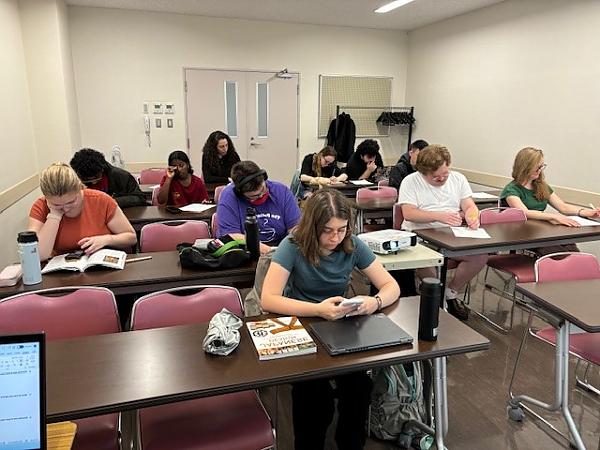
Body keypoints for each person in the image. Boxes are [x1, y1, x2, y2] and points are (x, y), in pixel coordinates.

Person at [261, 188, 400, 450]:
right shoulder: (292, 246)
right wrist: (318, 309)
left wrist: (375, 301)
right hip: (303, 324)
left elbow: (391, 286)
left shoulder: (353, 244)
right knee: (314, 395)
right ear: (313, 226)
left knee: (359, 388)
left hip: (340, 326)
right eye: (327, 230)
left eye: (342, 229)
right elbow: (269, 299)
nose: (335, 237)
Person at [397, 144, 487, 320]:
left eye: (445, 174)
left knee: (480, 255)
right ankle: (434, 298)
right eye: (435, 177)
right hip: (419, 235)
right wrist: (440, 216)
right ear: (423, 172)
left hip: (452, 235)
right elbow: (409, 213)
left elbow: (469, 205)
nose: (442, 179)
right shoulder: (410, 181)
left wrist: (472, 216)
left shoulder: (458, 179)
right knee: (428, 265)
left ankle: (450, 292)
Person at [501, 147, 600, 255]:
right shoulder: (512, 190)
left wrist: (587, 212)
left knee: (572, 251)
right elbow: (524, 212)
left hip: (543, 231)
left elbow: (562, 207)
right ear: (525, 167)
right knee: (559, 254)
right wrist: (554, 216)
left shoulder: (541, 186)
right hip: (525, 233)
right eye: (537, 167)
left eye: (542, 166)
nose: (540, 170)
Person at [28, 163, 137, 261]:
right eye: (57, 205)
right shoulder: (41, 206)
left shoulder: (101, 200)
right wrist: (54, 215)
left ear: (80, 188)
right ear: (46, 198)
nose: (65, 209)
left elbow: (131, 237)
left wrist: (106, 239)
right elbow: (38, 255)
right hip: (61, 273)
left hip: (100, 267)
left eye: (71, 202)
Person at [217, 161, 301, 254]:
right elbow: (231, 235)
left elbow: (295, 228)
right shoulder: (228, 197)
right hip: (245, 252)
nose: (261, 196)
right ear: (240, 193)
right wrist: (265, 250)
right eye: (255, 196)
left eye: (263, 189)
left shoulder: (282, 192)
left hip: (280, 250)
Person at [69, 147, 147, 208]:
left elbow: (140, 198)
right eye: (87, 180)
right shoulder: (73, 180)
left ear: (102, 169)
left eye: (97, 177)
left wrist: (111, 201)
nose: (94, 182)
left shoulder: (121, 176)